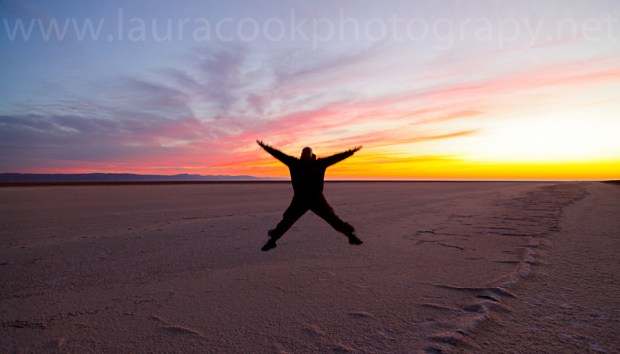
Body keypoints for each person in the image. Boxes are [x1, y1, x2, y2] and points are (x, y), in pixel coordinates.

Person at [256, 140, 364, 251]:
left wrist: (351, 152)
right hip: (300, 200)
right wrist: (265, 147)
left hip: (317, 199)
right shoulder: (294, 163)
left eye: (308, 154)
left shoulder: (320, 163)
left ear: (312, 154)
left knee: (333, 219)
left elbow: (335, 158)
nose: (306, 156)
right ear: (301, 154)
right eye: (304, 153)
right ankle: (272, 241)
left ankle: (351, 237)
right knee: (287, 220)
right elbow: (279, 155)